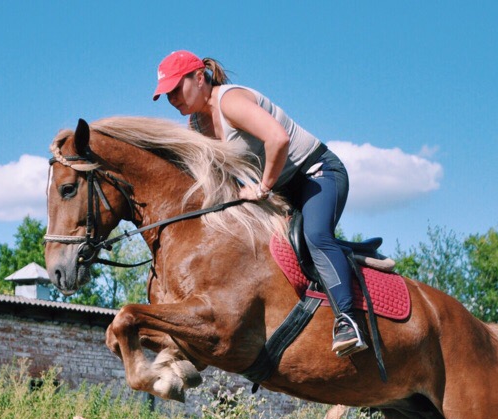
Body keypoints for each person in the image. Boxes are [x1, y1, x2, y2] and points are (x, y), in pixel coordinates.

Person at [152, 50, 366, 357]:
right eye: (166, 94)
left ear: (199, 78)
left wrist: (262, 188)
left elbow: (278, 139)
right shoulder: (196, 126)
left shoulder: (231, 102)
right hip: (281, 187)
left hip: (317, 175)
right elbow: (220, 175)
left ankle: (348, 320)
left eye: (176, 89)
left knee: (316, 237)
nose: (172, 99)